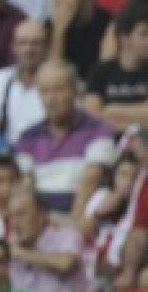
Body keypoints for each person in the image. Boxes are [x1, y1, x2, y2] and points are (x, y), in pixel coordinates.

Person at [16, 60, 116, 217]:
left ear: (76, 90)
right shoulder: (28, 136)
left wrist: (70, 227)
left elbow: (91, 181)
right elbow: (26, 185)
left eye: (58, 90)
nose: (51, 99)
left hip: (80, 217)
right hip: (40, 221)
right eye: (44, 91)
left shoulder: (97, 129)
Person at [4, 185, 87, 292]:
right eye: (10, 217)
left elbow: (65, 264)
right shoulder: (10, 246)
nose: (14, 223)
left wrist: (20, 253)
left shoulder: (66, 236)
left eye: (21, 214)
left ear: (42, 215)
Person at [0, 19, 48, 141]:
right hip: (8, 154)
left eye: (36, 43)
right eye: (22, 43)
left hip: (47, 152)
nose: (29, 50)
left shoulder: (59, 82)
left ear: (46, 47)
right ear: (13, 47)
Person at [85, 0, 148, 131]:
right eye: (144, 34)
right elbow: (91, 115)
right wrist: (134, 125)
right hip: (107, 141)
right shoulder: (101, 72)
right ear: (124, 38)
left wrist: (112, 109)